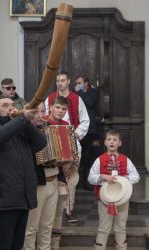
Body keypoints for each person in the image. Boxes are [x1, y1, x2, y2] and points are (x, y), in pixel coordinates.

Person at [0, 97, 47, 250]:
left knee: (17, 244)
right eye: (5, 105)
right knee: (4, 244)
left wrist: (26, 121)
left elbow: (41, 143)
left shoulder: (21, 127)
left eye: (13, 105)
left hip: (22, 196)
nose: (11, 108)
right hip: (4, 198)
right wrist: (22, 118)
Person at [45, 71, 90, 222]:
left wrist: (74, 135)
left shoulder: (77, 99)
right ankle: (53, 210)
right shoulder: (50, 99)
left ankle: (68, 210)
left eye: (63, 80)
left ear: (68, 81)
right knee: (53, 179)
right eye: (58, 81)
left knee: (70, 177)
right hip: (51, 145)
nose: (60, 83)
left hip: (71, 142)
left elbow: (85, 120)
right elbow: (45, 118)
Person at [88, 130, 140, 250]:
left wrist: (124, 179)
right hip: (104, 200)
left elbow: (136, 176)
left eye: (115, 140)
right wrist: (102, 176)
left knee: (121, 227)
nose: (112, 141)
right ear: (105, 142)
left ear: (119, 143)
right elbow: (90, 178)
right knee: (104, 227)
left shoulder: (125, 160)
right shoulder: (99, 160)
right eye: (109, 139)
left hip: (122, 200)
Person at [23, 102, 60, 250]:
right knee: (31, 228)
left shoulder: (52, 130)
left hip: (54, 181)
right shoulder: (24, 133)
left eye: (42, 111)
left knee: (47, 227)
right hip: (37, 185)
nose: (39, 115)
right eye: (36, 112)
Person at [74, 74, 102, 190]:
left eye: (80, 83)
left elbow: (91, 103)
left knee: (90, 156)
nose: (77, 85)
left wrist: (80, 92)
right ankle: (77, 182)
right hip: (78, 128)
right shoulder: (74, 93)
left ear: (86, 83)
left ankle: (88, 183)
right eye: (77, 83)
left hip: (91, 130)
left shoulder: (93, 92)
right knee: (79, 156)